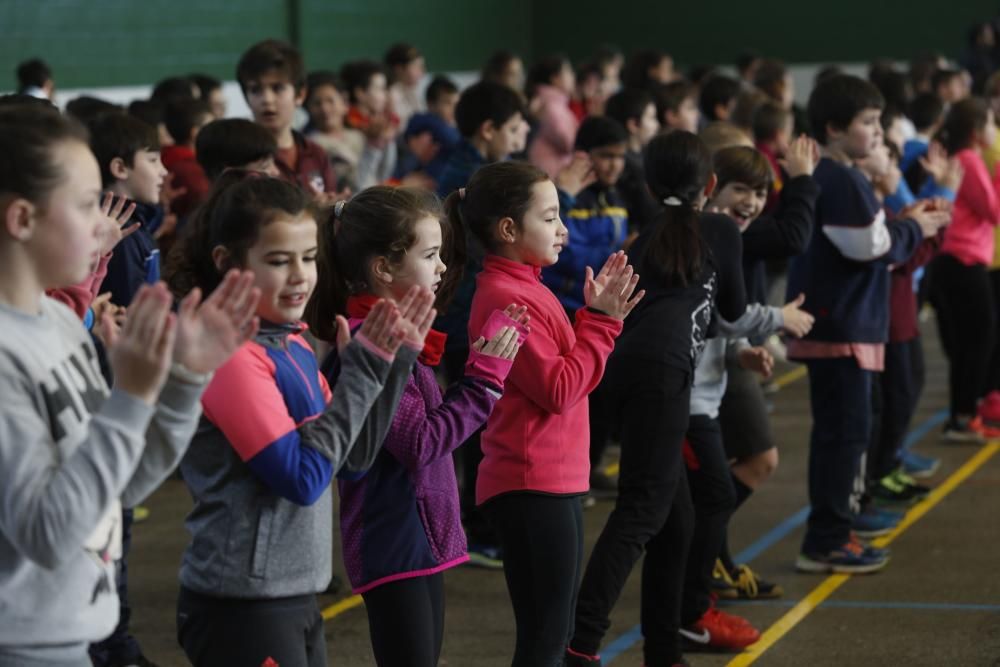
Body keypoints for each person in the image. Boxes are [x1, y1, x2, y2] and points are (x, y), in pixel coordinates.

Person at [0, 103, 258, 667]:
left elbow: (115, 494)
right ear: (21, 219)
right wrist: (133, 396)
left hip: (71, 635)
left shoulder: (62, 322)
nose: (103, 224)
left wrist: (183, 383)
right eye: (88, 203)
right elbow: (48, 533)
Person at [165, 171, 435, 667]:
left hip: (291, 593)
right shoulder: (230, 355)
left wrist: (392, 365)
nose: (299, 276)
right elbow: (305, 479)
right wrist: (360, 375)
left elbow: (351, 460)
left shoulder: (291, 342)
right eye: (277, 261)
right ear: (227, 263)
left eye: (308, 258)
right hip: (243, 603)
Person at [308, 186, 523, 666]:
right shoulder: (372, 347)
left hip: (416, 538)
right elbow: (421, 443)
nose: (442, 266)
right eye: (431, 255)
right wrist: (483, 382)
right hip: (394, 542)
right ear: (383, 268)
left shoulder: (392, 336)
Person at [567, 131, 746, 667]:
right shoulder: (717, 229)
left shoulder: (644, 239)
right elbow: (733, 308)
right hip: (662, 377)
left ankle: (663, 650)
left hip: (622, 371)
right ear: (710, 186)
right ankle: (579, 644)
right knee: (641, 512)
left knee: (678, 518)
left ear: (646, 183)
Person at [462, 161, 642, 665]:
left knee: (552, 630)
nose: (563, 228)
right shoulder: (506, 297)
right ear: (508, 229)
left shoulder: (528, 286)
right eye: (550, 217)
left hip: (551, 479)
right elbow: (559, 389)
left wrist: (593, 318)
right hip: (530, 482)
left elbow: (567, 375)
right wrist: (602, 324)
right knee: (544, 637)